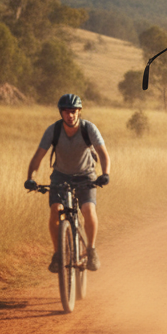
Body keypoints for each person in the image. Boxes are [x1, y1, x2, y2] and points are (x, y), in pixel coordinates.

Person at [25, 93, 110, 272]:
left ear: (79, 112)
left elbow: (103, 153)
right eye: (66, 111)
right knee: (55, 210)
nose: (70, 115)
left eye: (73, 111)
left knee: (88, 209)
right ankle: (57, 254)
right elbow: (38, 156)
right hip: (60, 176)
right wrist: (30, 178)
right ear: (61, 113)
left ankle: (91, 250)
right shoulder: (53, 130)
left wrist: (105, 174)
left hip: (86, 175)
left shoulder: (89, 129)